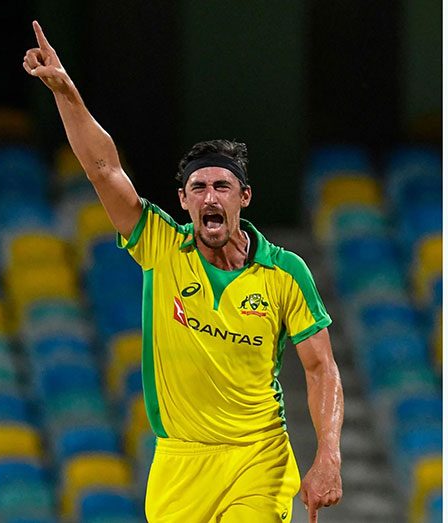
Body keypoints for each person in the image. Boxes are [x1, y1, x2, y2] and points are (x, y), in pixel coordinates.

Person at [23, 20, 344, 523]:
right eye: (198, 187)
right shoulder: (160, 245)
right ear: (182, 200)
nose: (210, 196)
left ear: (244, 197)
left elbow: (320, 366)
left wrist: (328, 454)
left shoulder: (286, 272)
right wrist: (66, 90)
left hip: (258, 457)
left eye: (222, 185)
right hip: (178, 462)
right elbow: (104, 168)